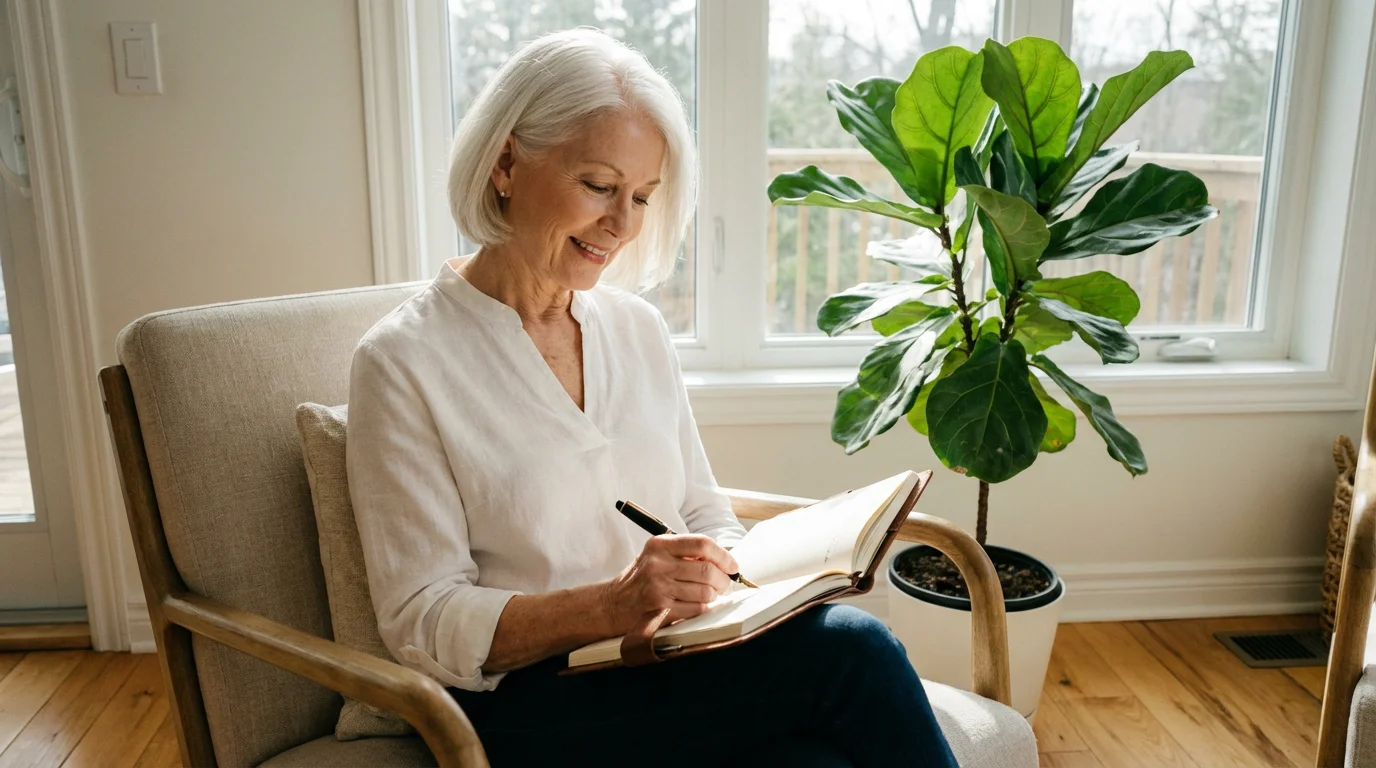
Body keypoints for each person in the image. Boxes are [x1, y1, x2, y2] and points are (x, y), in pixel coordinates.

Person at [346, 27, 957, 768]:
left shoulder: (635, 328)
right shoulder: (402, 360)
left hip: (663, 668)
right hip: (520, 706)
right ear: (506, 163)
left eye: (641, 196)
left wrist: (735, 579)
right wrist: (610, 605)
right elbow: (422, 620)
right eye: (600, 186)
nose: (624, 224)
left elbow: (704, 514)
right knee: (854, 651)